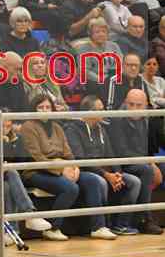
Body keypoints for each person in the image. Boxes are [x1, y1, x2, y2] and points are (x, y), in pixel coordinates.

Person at [20, 94, 114, 241]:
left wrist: (74, 166)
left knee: (92, 180)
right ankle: (52, 228)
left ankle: (98, 227)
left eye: (48, 107)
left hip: (63, 167)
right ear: (34, 109)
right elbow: (36, 156)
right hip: (36, 171)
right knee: (70, 188)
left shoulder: (57, 127)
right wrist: (61, 169)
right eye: (40, 107)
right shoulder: (28, 127)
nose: (44, 110)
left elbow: (68, 152)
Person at [64, 96, 142, 236]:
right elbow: (82, 160)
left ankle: (120, 225)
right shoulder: (72, 129)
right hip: (84, 171)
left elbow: (111, 154)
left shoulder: (101, 129)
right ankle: (102, 225)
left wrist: (117, 174)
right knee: (100, 182)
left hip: (105, 171)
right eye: (100, 109)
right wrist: (106, 175)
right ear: (89, 112)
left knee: (134, 182)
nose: (104, 111)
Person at [108, 89, 163, 235]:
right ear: (125, 103)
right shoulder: (117, 120)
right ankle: (144, 219)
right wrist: (149, 163)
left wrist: (151, 162)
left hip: (140, 160)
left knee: (158, 167)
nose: (134, 109)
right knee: (146, 170)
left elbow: (151, 147)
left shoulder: (148, 119)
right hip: (121, 163)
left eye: (139, 105)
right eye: (131, 104)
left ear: (146, 105)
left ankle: (144, 218)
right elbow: (122, 152)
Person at [1, 114, 52, 243]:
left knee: (7, 186)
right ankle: (29, 214)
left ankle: (11, 232)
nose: (5, 129)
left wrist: (11, 144)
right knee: (10, 174)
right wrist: (3, 143)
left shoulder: (18, 139)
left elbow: (23, 161)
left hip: (12, 178)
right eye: (2, 126)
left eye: (8, 126)